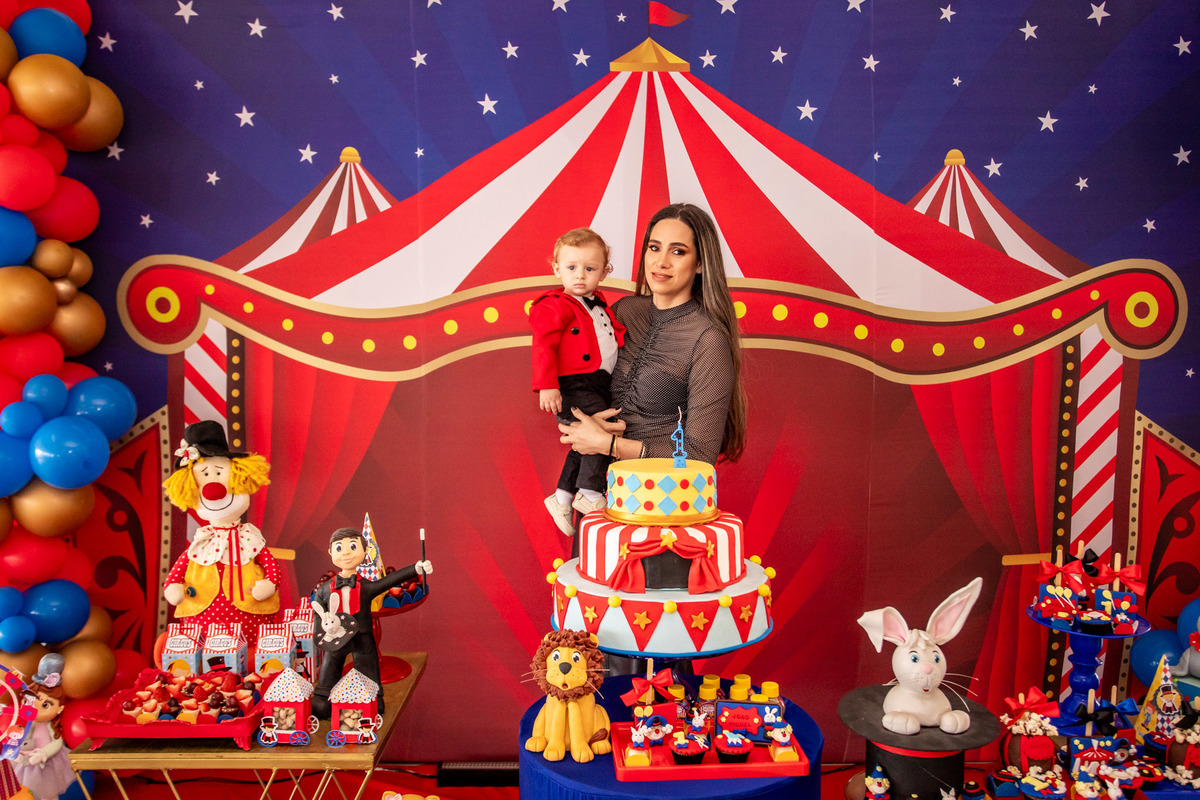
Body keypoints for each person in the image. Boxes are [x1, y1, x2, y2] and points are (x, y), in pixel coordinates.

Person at [558, 203, 746, 468]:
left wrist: (610, 445)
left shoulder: (708, 339)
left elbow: (700, 454)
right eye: (654, 248)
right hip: (600, 481)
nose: (661, 262)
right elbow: (577, 378)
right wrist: (585, 422)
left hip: (664, 489)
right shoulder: (623, 311)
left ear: (700, 263)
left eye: (678, 251)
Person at [530, 228, 626, 534]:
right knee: (600, 431)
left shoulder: (599, 305)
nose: (580, 275)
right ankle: (590, 492)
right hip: (573, 383)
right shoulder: (554, 304)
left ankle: (562, 497)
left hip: (598, 383)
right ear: (557, 269)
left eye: (590, 268)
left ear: (605, 272)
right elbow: (543, 344)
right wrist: (547, 385)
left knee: (586, 440)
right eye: (571, 267)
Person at [162, 420, 279, 647]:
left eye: (218, 472)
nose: (213, 490)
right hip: (200, 616)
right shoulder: (202, 541)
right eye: (205, 475)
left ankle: (251, 655)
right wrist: (173, 586)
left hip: (251, 617)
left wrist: (270, 583)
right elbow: (178, 570)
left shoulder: (249, 538)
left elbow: (270, 565)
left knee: (253, 653)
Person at [309, 527, 432, 719]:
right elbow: (318, 611)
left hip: (362, 634)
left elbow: (388, 581)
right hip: (335, 636)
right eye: (339, 548)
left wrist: (415, 568)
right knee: (330, 665)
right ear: (330, 552)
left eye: (352, 546)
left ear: (365, 551)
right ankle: (323, 698)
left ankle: (373, 697)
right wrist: (322, 633)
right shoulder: (325, 589)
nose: (346, 553)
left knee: (367, 666)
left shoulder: (365, 586)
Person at [13, 655, 72, 800]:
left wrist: (42, 754)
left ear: (60, 709)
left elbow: (57, 742)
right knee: (20, 790)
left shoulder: (50, 726)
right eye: (29, 702)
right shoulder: (27, 723)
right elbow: (22, 737)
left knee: (47, 792)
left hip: (46, 764)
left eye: (45, 705)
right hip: (25, 761)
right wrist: (17, 751)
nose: (35, 709)